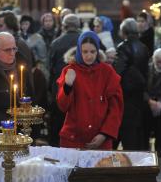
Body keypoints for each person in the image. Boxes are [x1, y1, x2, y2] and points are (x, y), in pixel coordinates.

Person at [57, 31, 123, 149]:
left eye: (92, 52)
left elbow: (116, 108)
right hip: (73, 139)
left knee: (100, 167)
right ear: (78, 51)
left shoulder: (108, 72)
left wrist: (105, 133)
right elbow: (62, 106)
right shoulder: (69, 71)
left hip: (101, 140)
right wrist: (67, 85)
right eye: (85, 52)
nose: (89, 56)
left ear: (98, 51)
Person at [114, 18, 149, 150]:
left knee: (125, 127)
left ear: (124, 31)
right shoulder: (143, 47)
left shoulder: (123, 47)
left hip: (125, 93)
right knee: (136, 128)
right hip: (139, 92)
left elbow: (118, 71)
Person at [49, 14, 81, 146]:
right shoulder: (84, 40)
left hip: (61, 89)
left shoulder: (56, 43)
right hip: (81, 89)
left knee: (60, 124)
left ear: (64, 26)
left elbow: (50, 68)